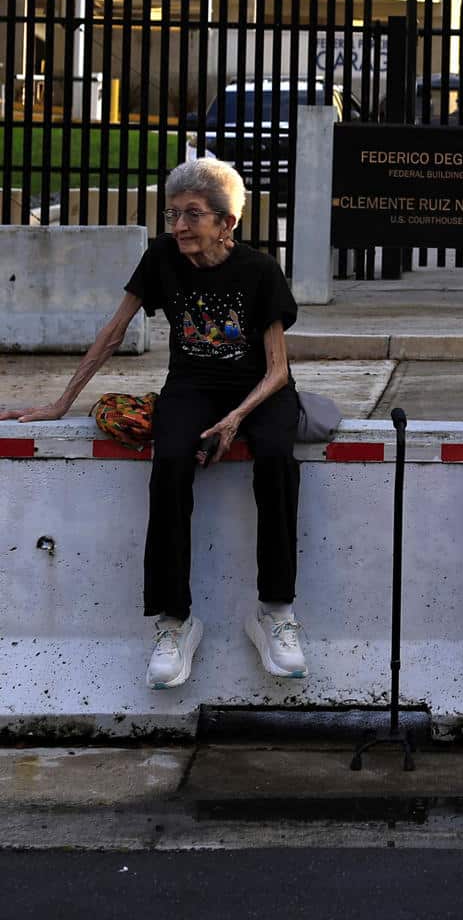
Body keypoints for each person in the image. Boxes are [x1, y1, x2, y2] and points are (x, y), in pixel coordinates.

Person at [1, 157, 307, 689]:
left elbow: (279, 370)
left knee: (277, 460)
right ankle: (174, 620)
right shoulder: (163, 257)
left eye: (193, 215)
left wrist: (235, 420)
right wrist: (60, 401)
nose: (180, 227)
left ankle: (274, 612)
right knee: (168, 464)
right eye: (173, 215)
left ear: (226, 223)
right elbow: (114, 332)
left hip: (258, 393)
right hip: (191, 385)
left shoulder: (259, 270)